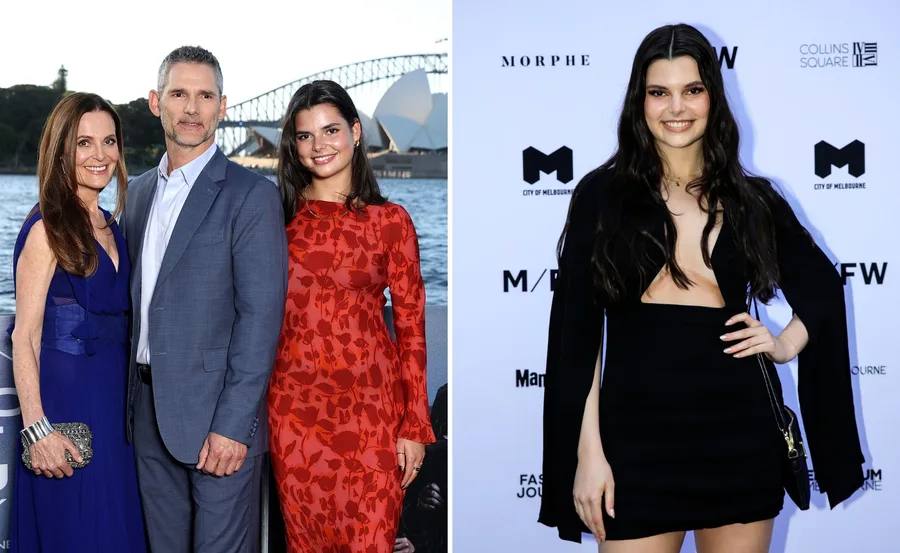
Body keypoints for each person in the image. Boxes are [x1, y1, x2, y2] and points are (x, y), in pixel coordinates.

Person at [538, 24, 864, 553]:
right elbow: (576, 341)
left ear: (712, 95)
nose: (676, 107)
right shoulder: (603, 196)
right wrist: (588, 455)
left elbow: (824, 286)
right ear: (639, 102)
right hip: (634, 446)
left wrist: (785, 344)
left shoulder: (751, 199)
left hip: (740, 438)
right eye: (659, 92)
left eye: (692, 89)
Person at [121, 45, 288, 552]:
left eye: (205, 96)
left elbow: (260, 320)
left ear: (223, 105)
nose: (192, 109)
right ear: (156, 102)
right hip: (146, 415)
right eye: (179, 94)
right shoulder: (137, 192)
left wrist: (235, 426)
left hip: (218, 421)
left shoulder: (252, 195)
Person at [268, 79, 436, 553]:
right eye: (305, 136)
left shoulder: (390, 222)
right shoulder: (275, 216)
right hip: (293, 414)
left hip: (371, 415)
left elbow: (411, 328)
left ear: (357, 132)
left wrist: (414, 426)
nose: (319, 146)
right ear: (294, 146)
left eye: (331, 130)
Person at [8, 92, 146, 551]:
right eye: (84, 143)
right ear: (61, 149)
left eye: (109, 142)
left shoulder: (111, 225)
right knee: (76, 530)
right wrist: (38, 430)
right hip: (64, 411)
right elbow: (24, 335)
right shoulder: (47, 228)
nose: (100, 156)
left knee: (115, 531)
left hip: (115, 412)